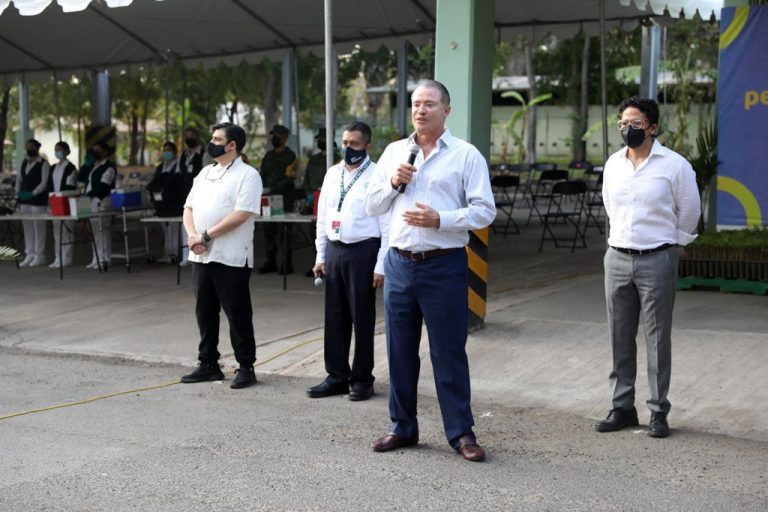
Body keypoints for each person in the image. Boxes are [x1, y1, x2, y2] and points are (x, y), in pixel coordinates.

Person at [364, 79, 496, 462]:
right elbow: (371, 205)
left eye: (430, 104)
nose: (421, 110)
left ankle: (461, 433)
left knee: (448, 352)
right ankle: (402, 427)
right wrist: (393, 183)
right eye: (416, 104)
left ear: (446, 110)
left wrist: (442, 219)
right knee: (399, 351)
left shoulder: (466, 156)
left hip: (443, 266)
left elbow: (484, 210)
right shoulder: (394, 153)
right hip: (400, 264)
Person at [596, 96, 700, 438]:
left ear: (653, 127)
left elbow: (690, 210)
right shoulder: (613, 164)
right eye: (623, 124)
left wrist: (672, 244)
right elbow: (609, 204)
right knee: (619, 335)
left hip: (657, 258)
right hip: (617, 258)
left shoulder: (675, 166)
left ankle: (658, 410)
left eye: (636, 123)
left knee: (656, 337)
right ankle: (622, 407)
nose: (629, 129)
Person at [306, 122, 389, 402]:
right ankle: (336, 376)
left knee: (362, 317)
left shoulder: (378, 175)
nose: (348, 148)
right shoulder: (332, 174)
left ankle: (362, 379)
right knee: (335, 316)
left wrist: (381, 265)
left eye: (354, 144)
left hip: (363, 251)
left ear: (367, 146)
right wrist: (321, 255)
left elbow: (386, 224)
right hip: (335, 249)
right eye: (344, 143)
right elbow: (323, 217)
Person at [180, 122, 262, 390]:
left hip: (231, 256)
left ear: (232, 145)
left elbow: (241, 214)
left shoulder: (248, 175)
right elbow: (188, 208)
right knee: (204, 311)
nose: (211, 143)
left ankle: (246, 366)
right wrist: (193, 237)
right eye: (212, 138)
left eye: (217, 139)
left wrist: (205, 236)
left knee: (237, 313)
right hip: (201, 255)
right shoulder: (205, 173)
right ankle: (208, 364)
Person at [258, 124, 298, 275]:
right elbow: (262, 175)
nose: (274, 138)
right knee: (269, 232)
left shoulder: (290, 156)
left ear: (285, 138)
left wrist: (276, 188)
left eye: (277, 136)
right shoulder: (268, 156)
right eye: (273, 135)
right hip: (268, 198)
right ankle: (271, 262)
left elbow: (291, 177)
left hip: (284, 198)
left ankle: (287, 264)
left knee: (284, 232)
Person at [147, 142, 188, 264]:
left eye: (169, 150)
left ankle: (174, 254)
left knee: (174, 229)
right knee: (166, 230)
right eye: (165, 150)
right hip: (161, 203)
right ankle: (167, 253)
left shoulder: (178, 166)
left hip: (174, 203)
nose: (166, 152)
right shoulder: (160, 167)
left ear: (175, 152)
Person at [16, 138, 51, 267]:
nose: (28, 149)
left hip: (38, 200)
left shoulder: (44, 164)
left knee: (39, 227)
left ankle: (39, 255)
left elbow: (44, 182)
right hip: (24, 199)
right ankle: (29, 254)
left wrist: (33, 193)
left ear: (37, 148)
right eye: (27, 147)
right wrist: (18, 191)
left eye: (31, 147)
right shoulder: (24, 162)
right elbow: (19, 178)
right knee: (27, 227)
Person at [83, 142, 117, 270]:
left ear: (105, 151)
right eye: (94, 150)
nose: (95, 152)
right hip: (91, 201)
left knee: (103, 231)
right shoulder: (93, 165)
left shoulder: (109, 167)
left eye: (98, 150)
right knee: (94, 232)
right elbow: (82, 178)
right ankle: (96, 258)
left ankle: (105, 258)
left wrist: (90, 194)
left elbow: (104, 186)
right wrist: (86, 165)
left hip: (102, 201)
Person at [48, 141, 78, 268]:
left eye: (59, 150)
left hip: (66, 201)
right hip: (55, 202)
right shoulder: (53, 167)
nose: (57, 152)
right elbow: (50, 184)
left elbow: (70, 185)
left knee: (67, 231)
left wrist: (61, 196)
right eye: (56, 150)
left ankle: (67, 258)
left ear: (66, 151)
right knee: (57, 232)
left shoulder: (70, 167)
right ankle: (58, 257)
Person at [303, 128, 340, 195]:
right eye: (319, 139)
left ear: (329, 139)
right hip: (312, 195)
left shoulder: (337, 159)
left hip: (327, 195)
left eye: (322, 139)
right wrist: (308, 193)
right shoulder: (313, 159)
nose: (319, 141)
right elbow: (307, 178)